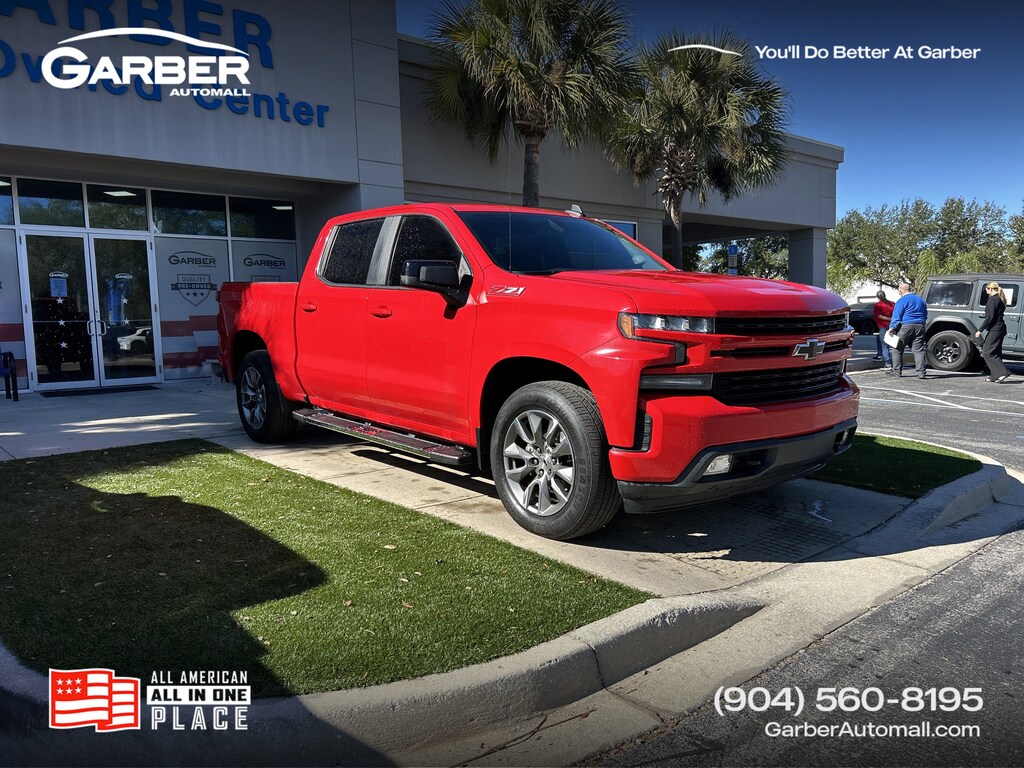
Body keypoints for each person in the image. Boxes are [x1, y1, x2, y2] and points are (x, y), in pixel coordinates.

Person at [975, 282, 1012, 383]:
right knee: (996, 352)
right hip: (1000, 328)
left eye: (986, 289)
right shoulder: (999, 299)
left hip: (995, 329)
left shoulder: (992, 300)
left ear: (990, 289)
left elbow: (989, 317)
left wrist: (980, 330)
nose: (986, 291)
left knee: (987, 353)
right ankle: (995, 375)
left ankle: (1003, 372)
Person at [889, 282, 928, 379]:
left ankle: (897, 372)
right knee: (918, 350)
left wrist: (892, 327)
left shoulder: (902, 300)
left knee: (897, 349)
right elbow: (925, 314)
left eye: (899, 290)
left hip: (906, 326)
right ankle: (921, 373)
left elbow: (897, 315)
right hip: (920, 326)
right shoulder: (921, 300)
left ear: (901, 290)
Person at [872, 290, 895, 370]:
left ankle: (887, 363)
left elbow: (879, 316)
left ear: (878, 297)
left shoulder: (878, 305)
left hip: (883, 326)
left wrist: (888, 319)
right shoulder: (892, 304)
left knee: (884, 344)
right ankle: (879, 354)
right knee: (878, 338)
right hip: (892, 326)